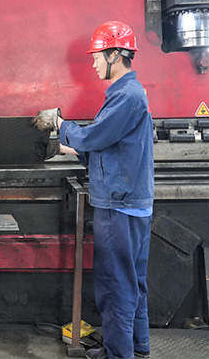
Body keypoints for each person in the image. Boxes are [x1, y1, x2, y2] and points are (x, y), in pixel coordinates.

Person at [33, 21, 154, 359]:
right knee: (132, 281)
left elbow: (94, 137)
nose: (94, 63)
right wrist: (62, 148)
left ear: (115, 54)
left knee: (116, 285)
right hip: (129, 203)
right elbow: (107, 147)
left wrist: (59, 123)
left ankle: (118, 354)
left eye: (97, 57)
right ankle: (136, 346)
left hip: (118, 205)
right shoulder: (128, 94)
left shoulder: (126, 96)